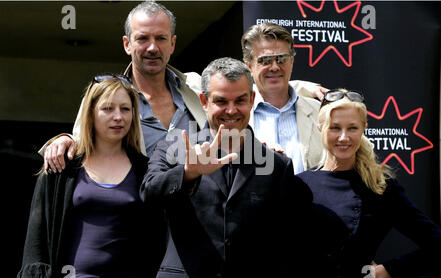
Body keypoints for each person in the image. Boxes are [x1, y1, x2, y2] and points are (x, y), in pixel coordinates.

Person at [41, 1, 323, 173]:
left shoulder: (193, 84)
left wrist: (299, 86)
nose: (153, 47)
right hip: (132, 221)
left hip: (192, 231)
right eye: (142, 39)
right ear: (127, 44)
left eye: (161, 39)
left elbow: (241, 88)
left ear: (172, 44)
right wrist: (63, 139)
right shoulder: (107, 98)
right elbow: (82, 142)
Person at [142, 57, 316, 278]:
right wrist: (188, 173)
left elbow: (287, 246)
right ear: (204, 101)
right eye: (221, 101)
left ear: (252, 100)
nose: (231, 110)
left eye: (240, 100)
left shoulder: (277, 165)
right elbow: (147, 195)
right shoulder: (175, 147)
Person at [15, 74, 163, 278]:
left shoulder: (146, 169)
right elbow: (37, 233)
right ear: (91, 113)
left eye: (125, 109)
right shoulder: (61, 165)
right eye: (107, 108)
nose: (118, 117)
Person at [297, 89, 441, 278]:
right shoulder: (299, 184)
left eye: (352, 128)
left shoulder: (380, 187)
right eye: (335, 128)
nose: (343, 137)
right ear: (320, 129)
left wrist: (387, 271)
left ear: (364, 128)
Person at [242, 22, 326, 174]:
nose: (274, 67)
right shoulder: (233, 116)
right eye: (265, 60)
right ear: (249, 66)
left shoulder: (320, 113)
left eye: (281, 59)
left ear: (292, 62)